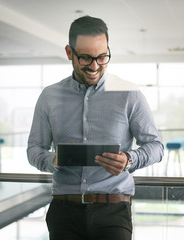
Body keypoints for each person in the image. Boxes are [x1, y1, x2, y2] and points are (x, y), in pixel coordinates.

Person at [27, 15, 164, 240]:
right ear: (69, 53)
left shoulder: (129, 94)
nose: (94, 66)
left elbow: (156, 146)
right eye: (85, 58)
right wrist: (53, 160)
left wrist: (129, 159)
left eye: (102, 57)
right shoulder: (49, 96)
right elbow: (33, 149)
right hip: (63, 212)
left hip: (113, 212)